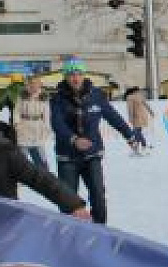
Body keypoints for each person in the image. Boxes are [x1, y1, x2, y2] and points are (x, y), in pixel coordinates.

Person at [50, 59, 138, 225]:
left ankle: (99, 230)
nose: (75, 78)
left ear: (84, 75)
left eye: (79, 74)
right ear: (65, 77)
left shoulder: (96, 95)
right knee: (68, 201)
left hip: (92, 154)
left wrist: (129, 135)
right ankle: (70, 233)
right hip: (67, 157)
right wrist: (74, 139)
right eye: (71, 75)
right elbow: (57, 123)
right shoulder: (58, 98)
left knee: (98, 197)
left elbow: (113, 116)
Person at [13, 75, 52, 171]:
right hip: (24, 127)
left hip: (37, 127)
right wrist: (16, 124)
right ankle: (21, 174)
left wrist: (46, 128)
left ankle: (44, 174)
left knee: (39, 154)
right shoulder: (22, 96)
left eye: (36, 83)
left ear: (40, 84)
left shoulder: (43, 97)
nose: (33, 85)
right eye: (31, 83)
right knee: (22, 155)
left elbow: (46, 114)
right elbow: (16, 111)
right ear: (28, 84)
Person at [123, 87, 155, 156]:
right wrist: (151, 112)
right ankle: (138, 148)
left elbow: (130, 108)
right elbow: (146, 105)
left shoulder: (129, 97)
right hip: (143, 116)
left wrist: (131, 118)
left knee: (136, 133)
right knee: (138, 132)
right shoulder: (140, 96)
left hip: (136, 117)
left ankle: (143, 146)